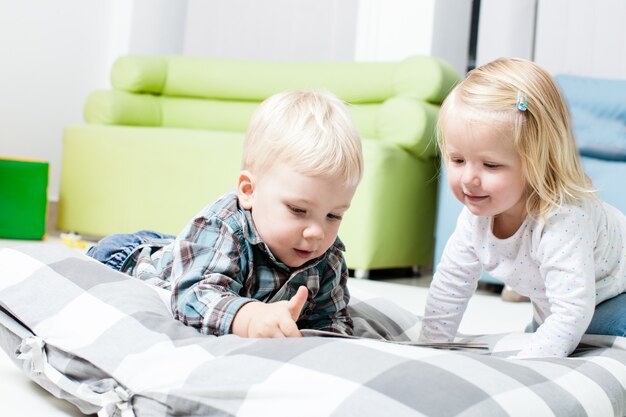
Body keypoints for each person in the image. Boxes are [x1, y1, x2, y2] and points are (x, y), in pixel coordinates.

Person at [87, 89, 364, 338]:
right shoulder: (222, 226)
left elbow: (332, 319)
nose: (317, 232)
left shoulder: (327, 257)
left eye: (334, 216)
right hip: (129, 257)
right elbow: (194, 296)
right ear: (249, 190)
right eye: (297, 210)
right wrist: (250, 317)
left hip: (201, 253)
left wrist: (314, 339)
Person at [420, 57, 626, 358]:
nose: (469, 179)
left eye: (490, 165)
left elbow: (572, 311)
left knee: (588, 338)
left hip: (615, 294)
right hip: (563, 299)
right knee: (539, 336)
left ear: (539, 164)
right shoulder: (474, 218)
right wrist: (428, 349)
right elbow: (450, 286)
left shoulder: (562, 218)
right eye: (457, 160)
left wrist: (525, 369)